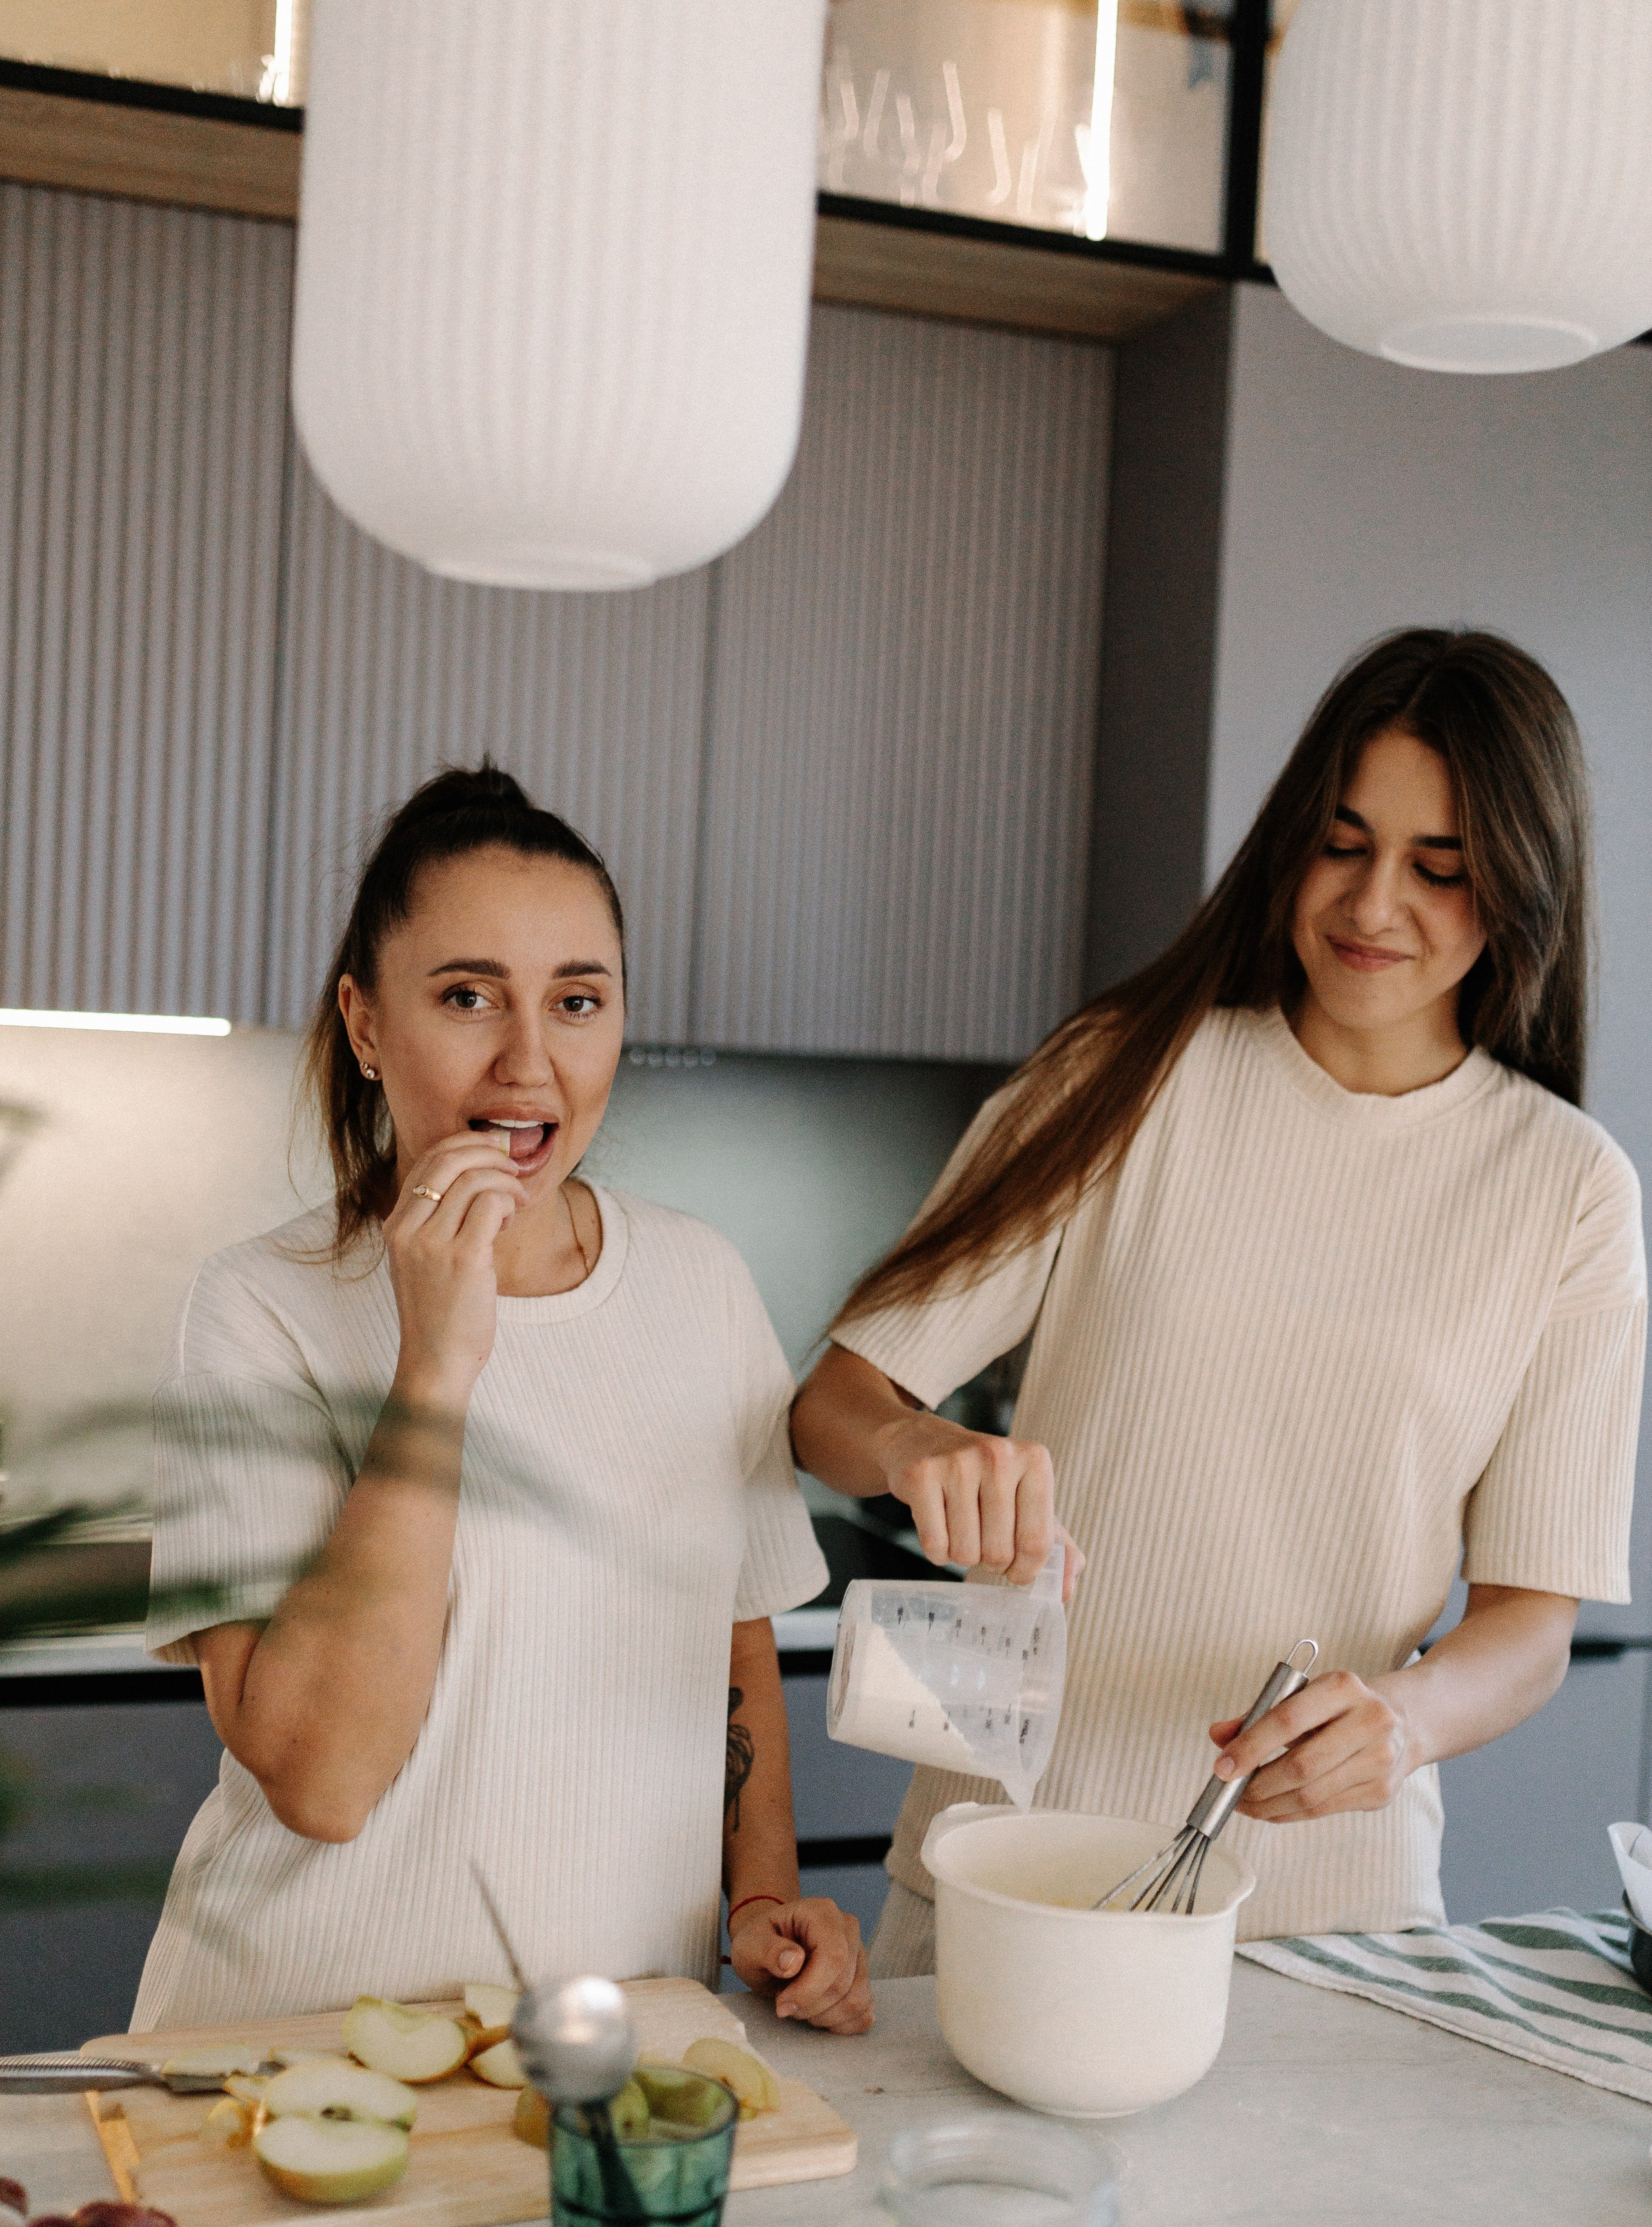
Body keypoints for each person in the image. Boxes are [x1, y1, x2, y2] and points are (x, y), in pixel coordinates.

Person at [794, 629, 1646, 1962]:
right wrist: (911, 1444)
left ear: (1521, 887)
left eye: (1439, 868)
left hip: (1330, 1922)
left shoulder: (1568, 1190)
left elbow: (1529, 1623)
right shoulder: (1120, 1077)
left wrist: (1407, 1721)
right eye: (1341, 844)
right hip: (1002, 1872)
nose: (1372, 905)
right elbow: (833, 1404)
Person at [134, 765, 871, 2033]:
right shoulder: (259, 1308)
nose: (529, 1062)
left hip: (598, 2054)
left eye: (576, 1001)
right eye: (468, 996)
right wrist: (434, 1365)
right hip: (296, 2047)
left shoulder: (699, 1281)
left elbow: (734, 1639)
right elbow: (320, 1782)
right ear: (366, 1023)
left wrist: (759, 1895)